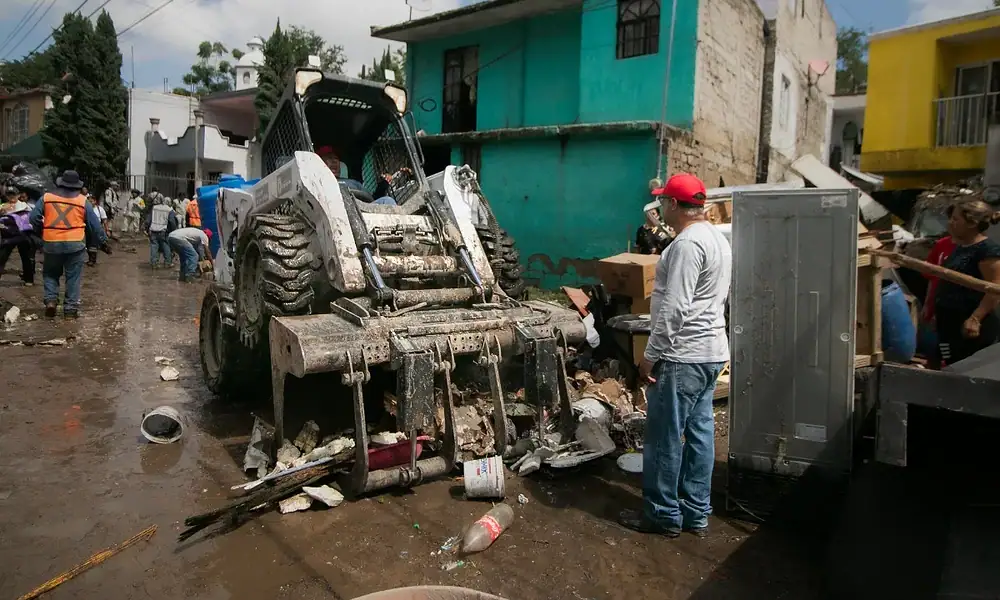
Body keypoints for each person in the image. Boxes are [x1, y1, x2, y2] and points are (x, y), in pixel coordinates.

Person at [618, 173, 731, 539]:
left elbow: (675, 309)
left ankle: (663, 514)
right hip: (712, 352)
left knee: (665, 437)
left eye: (663, 200)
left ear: (672, 204)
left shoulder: (686, 246)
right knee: (699, 433)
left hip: (684, 355)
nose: (661, 206)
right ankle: (696, 511)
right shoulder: (716, 238)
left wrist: (650, 356)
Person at [29, 170, 110, 318]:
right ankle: (70, 309)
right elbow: (95, 226)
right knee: (73, 277)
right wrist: (104, 242)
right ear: (77, 186)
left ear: (60, 184)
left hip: (51, 243)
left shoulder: (47, 198)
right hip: (75, 245)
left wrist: (42, 231)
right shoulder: (82, 201)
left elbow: (33, 217)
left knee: (50, 273)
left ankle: (51, 301)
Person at [934, 199, 1000, 365]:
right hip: (950, 323)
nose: (951, 223)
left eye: (956, 219)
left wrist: (975, 318)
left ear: (972, 223)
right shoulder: (960, 247)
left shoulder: (987, 250)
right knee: (949, 364)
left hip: (971, 327)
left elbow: (994, 288)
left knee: (967, 368)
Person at [316, 145, 398, 206]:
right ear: (319, 163)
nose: (334, 161)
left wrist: (383, 185)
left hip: (363, 212)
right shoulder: (318, 184)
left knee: (387, 201)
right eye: (329, 158)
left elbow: (372, 199)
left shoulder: (353, 183)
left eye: (336, 158)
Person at [0, 186, 36, 286]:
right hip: (8, 236)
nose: (11, 197)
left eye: (13, 194)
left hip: (22, 235)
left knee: (26, 257)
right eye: (9, 194)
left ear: (18, 195)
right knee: (2, 257)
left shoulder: (25, 205)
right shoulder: (3, 206)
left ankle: (29, 279)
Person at [145, 194, 177, 269]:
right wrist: (173, 231)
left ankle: (154, 263)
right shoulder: (169, 210)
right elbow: (172, 222)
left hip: (153, 230)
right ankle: (168, 263)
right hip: (163, 231)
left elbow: (148, 219)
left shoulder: (154, 208)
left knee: (154, 247)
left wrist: (147, 228)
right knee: (166, 246)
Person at [86, 194, 109, 267]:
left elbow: (104, 220)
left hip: (97, 229)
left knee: (93, 245)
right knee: (88, 245)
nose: (89, 203)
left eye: (91, 201)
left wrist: (107, 229)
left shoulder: (100, 209)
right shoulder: (85, 209)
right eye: (88, 201)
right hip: (87, 228)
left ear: (95, 201)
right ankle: (92, 258)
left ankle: (92, 260)